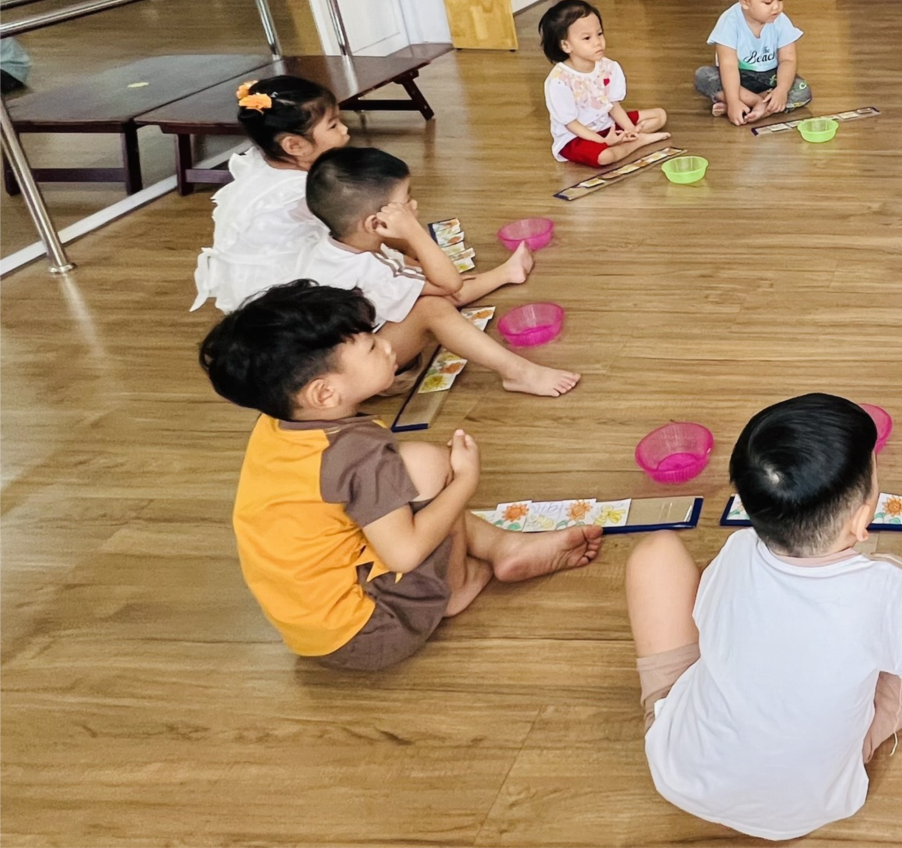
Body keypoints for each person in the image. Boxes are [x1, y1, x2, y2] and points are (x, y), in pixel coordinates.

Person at [626, 393, 902, 840]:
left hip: (682, 770)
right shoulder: (887, 590)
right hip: (805, 802)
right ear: (862, 520)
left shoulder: (736, 551)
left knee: (657, 551)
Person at [200, 281, 602, 669]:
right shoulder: (356, 456)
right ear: (324, 394)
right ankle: (458, 587)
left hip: (312, 631)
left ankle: (502, 546)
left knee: (409, 473)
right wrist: (465, 482)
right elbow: (404, 553)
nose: (388, 345)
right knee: (431, 467)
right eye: (372, 347)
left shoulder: (278, 424)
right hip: (374, 633)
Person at [296, 147, 577, 397]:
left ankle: (508, 273)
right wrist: (413, 231)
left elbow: (427, 277)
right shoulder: (370, 268)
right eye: (406, 201)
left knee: (423, 282)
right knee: (433, 307)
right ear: (375, 223)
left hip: (333, 364)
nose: (414, 205)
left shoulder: (335, 247)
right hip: (359, 375)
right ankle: (517, 373)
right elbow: (450, 286)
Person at [192, 76, 350, 313]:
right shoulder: (300, 192)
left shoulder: (262, 164)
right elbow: (355, 230)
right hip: (283, 295)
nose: (345, 129)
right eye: (334, 125)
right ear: (294, 145)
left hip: (246, 286)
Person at [539, 0, 671, 166]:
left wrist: (630, 130)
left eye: (599, 34)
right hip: (576, 137)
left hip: (607, 124)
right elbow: (571, 124)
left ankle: (629, 139)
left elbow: (613, 106)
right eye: (587, 38)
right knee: (605, 157)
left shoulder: (608, 67)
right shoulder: (559, 81)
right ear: (566, 46)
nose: (597, 42)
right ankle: (638, 142)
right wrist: (603, 141)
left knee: (659, 115)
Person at [695, 0, 812, 126]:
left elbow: (788, 60)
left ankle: (755, 108)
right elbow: (728, 66)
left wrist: (781, 90)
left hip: (770, 78)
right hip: (738, 79)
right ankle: (756, 103)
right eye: (768, 2)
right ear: (745, 2)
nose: (776, 7)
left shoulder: (781, 20)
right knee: (703, 76)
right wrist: (733, 101)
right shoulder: (729, 22)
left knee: (802, 90)